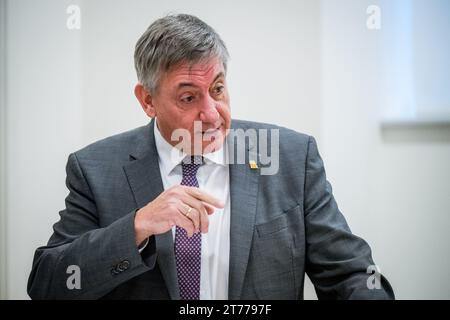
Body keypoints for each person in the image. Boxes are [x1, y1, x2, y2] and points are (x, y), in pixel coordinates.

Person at [27, 14, 394, 300]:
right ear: (147, 100)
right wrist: (136, 226)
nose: (213, 113)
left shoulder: (291, 159)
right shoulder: (95, 169)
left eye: (217, 88)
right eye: (189, 97)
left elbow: (351, 275)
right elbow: (48, 283)